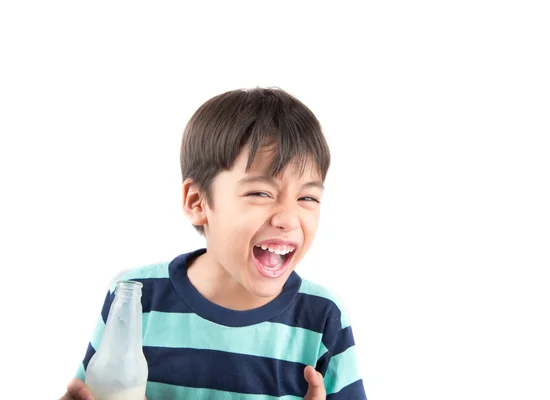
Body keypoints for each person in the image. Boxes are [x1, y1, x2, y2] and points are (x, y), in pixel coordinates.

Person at [61, 87, 367, 399]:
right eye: (261, 193)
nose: (288, 219)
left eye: (307, 197)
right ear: (197, 202)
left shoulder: (322, 318)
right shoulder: (134, 298)